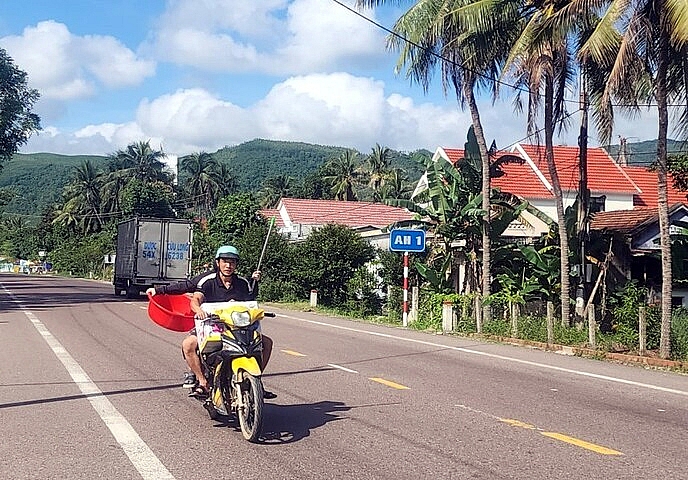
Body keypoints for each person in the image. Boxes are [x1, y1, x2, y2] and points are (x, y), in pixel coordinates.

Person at [184, 245, 275, 399]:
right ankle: (201, 381)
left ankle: (256, 381)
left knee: (266, 343)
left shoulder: (242, 282)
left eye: (232, 262)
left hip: (238, 327)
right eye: (225, 261)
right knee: (189, 344)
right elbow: (196, 299)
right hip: (212, 325)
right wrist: (198, 310)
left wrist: (255, 282)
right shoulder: (208, 281)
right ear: (218, 262)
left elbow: (250, 302)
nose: (228, 265)